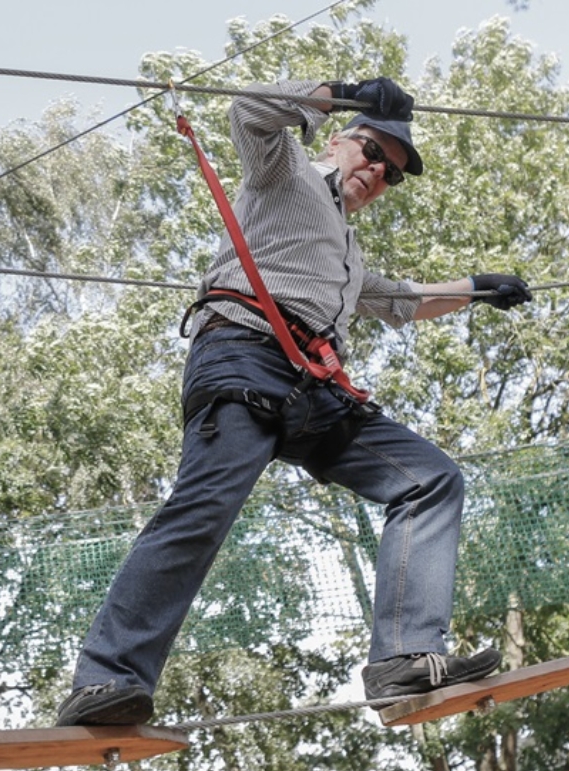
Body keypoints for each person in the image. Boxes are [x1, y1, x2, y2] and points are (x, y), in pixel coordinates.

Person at [56, 77, 532, 726]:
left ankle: (402, 656)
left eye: (391, 174)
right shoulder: (285, 176)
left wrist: (477, 288)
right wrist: (340, 90)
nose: (375, 171)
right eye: (370, 151)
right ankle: (102, 681)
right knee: (201, 510)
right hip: (243, 356)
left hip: (314, 391)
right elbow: (248, 111)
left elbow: (399, 302)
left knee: (429, 478)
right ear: (337, 141)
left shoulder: (348, 251)